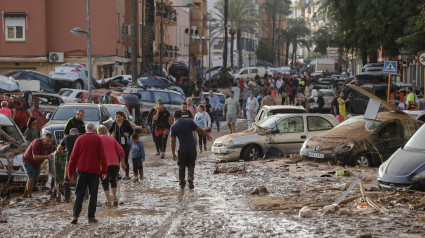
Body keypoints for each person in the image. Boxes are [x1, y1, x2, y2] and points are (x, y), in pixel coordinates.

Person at [68, 123, 107, 224]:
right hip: (94, 171)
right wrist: (105, 171)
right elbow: (102, 156)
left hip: (81, 170)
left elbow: (73, 157)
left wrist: (70, 171)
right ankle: (91, 217)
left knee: (79, 193)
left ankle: (75, 216)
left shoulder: (80, 139)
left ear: (86, 130)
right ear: (94, 130)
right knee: (93, 194)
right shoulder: (98, 139)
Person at [170, 111, 212, 190]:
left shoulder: (173, 127)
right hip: (192, 148)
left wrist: (173, 153)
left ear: (174, 117)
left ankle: (182, 185)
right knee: (191, 165)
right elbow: (200, 130)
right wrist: (208, 136)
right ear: (181, 116)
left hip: (181, 149)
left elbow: (173, 141)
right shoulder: (189, 121)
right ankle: (190, 177)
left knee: (182, 167)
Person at [97, 125, 125, 205]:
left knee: (104, 182)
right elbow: (121, 150)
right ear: (106, 131)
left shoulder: (98, 139)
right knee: (113, 180)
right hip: (115, 164)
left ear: (98, 132)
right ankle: (115, 199)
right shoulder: (112, 139)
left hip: (103, 165)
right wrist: (122, 162)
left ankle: (109, 201)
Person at [22, 134, 54, 198]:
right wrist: (46, 156)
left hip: (37, 163)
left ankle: (25, 194)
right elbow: (35, 157)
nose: (49, 143)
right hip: (28, 160)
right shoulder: (37, 142)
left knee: (33, 178)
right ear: (43, 139)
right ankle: (30, 196)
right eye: (47, 141)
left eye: (50, 141)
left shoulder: (50, 146)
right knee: (31, 177)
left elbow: (51, 156)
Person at [57, 128, 80, 202]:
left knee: (66, 179)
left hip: (69, 161)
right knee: (80, 178)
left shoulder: (66, 138)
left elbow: (59, 149)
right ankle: (81, 197)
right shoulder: (80, 138)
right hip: (80, 161)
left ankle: (67, 198)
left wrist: (61, 151)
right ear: (77, 133)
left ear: (70, 133)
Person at [109, 111, 134, 179]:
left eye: (119, 117)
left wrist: (128, 133)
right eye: (116, 117)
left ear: (122, 116)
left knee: (125, 159)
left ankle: (127, 175)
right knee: (117, 160)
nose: (117, 118)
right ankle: (117, 175)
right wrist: (112, 134)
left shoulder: (125, 122)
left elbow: (132, 130)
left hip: (125, 144)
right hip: (116, 144)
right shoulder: (114, 123)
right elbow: (110, 130)